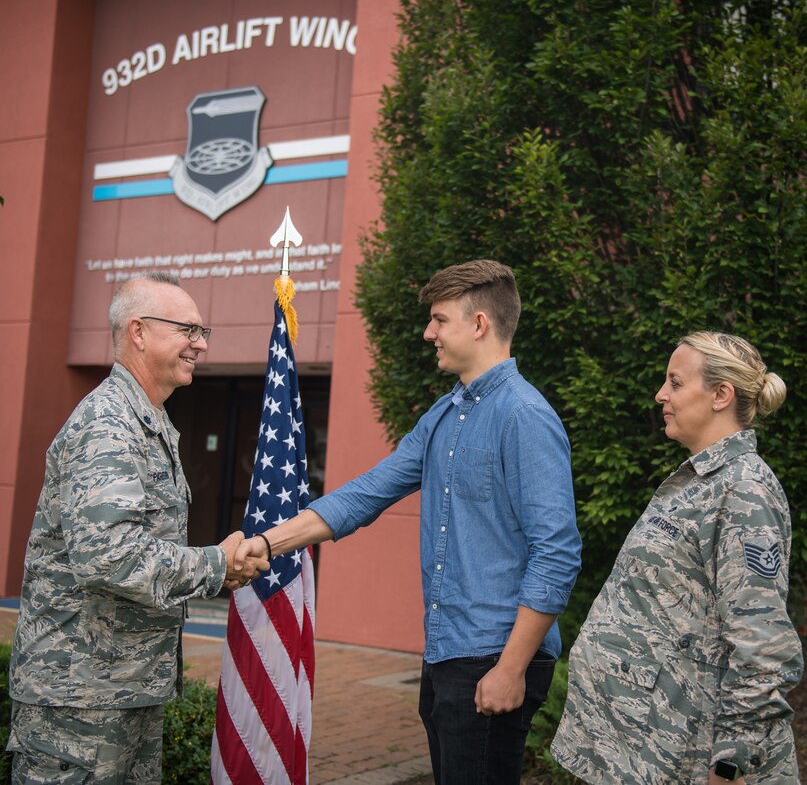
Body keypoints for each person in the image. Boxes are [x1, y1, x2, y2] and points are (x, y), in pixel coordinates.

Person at [235, 259, 582, 784]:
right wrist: (266, 541)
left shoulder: (524, 416)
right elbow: (364, 495)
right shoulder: (444, 414)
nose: (429, 333)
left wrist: (510, 668)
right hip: (447, 651)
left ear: (480, 324)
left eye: (439, 320)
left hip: (495, 656)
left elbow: (557, 553)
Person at [6, 272, 269, 784]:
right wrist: (218, 563)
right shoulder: (108, 423)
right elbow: (111, 557)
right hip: (79, 699)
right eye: (188, 330)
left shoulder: (147, 420)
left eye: (203, 331)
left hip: (123, 688)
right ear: (139, 332)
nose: (202, 343)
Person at [551, 331, 803, 784]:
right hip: (644, 749)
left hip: (693, 759)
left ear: (721, 395)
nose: (661, 394)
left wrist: (730, 764)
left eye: (675, 382)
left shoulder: (744, 491)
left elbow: (763, 648)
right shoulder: (699, 478)